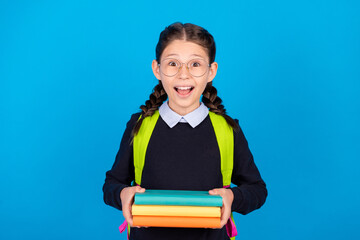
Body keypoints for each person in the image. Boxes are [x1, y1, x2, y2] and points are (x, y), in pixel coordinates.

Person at [102, 22, 267, 240]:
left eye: (195, 64)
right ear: (157, 69)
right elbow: (112, 185)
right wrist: (123, 193)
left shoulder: (227, 130)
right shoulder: (139, 126)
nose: (183, 74)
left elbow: (257, 190)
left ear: (211, 71)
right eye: (173, 63)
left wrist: (232, 197)